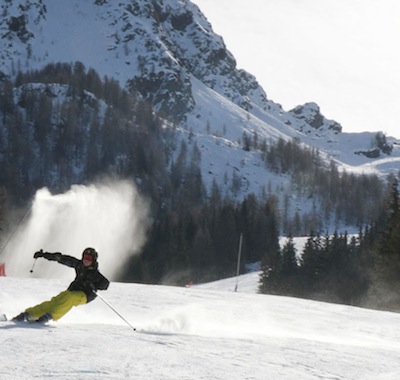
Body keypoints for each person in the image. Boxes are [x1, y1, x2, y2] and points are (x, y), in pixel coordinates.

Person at [13, 247, 110, 323]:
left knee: (70, 299)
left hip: (85, 295)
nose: (86, 260)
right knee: (56, 301)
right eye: (85, 257)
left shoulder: (95, 273)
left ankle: (50, 316)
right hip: (73, 290)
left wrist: (96, 284)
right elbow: (61, 258)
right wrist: (43, 255)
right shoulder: (79, 265)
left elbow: (105, 284)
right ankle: (29, 314)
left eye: (89, 258)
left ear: (93, 260)